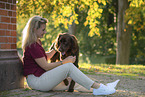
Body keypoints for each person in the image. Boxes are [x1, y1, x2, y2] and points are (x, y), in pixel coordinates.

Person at [22, 16, 120, 95]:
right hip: (37, 81)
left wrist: (56, 49)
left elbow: (44, 58)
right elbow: (46, 66)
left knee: (72, 82)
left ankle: (102, 88)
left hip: (41, 78)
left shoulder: (37, 42)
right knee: (68, 66)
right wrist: (64, 61)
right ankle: (101, 87)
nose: (45, 32)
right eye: (43, 30)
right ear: (35, 29)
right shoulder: (32, 45)